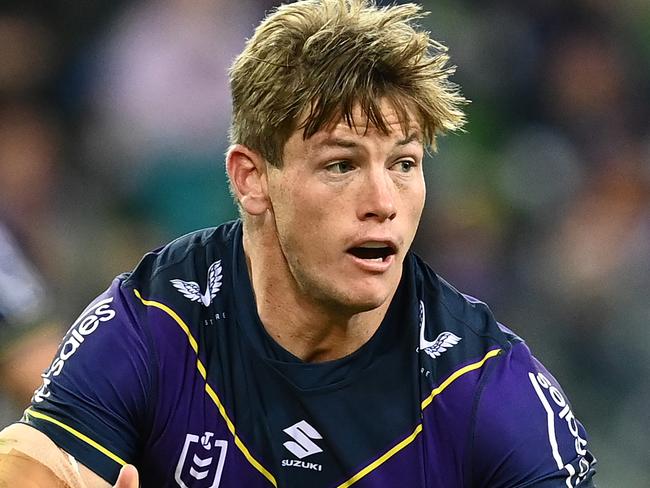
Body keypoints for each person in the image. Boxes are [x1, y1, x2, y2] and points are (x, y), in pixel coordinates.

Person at [0, 0, 598, 486]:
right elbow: (33, 466)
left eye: (405, 163)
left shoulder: (487, 389)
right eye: (341, 164)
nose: (382, 200)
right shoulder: (157, 319)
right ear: (252, 179)